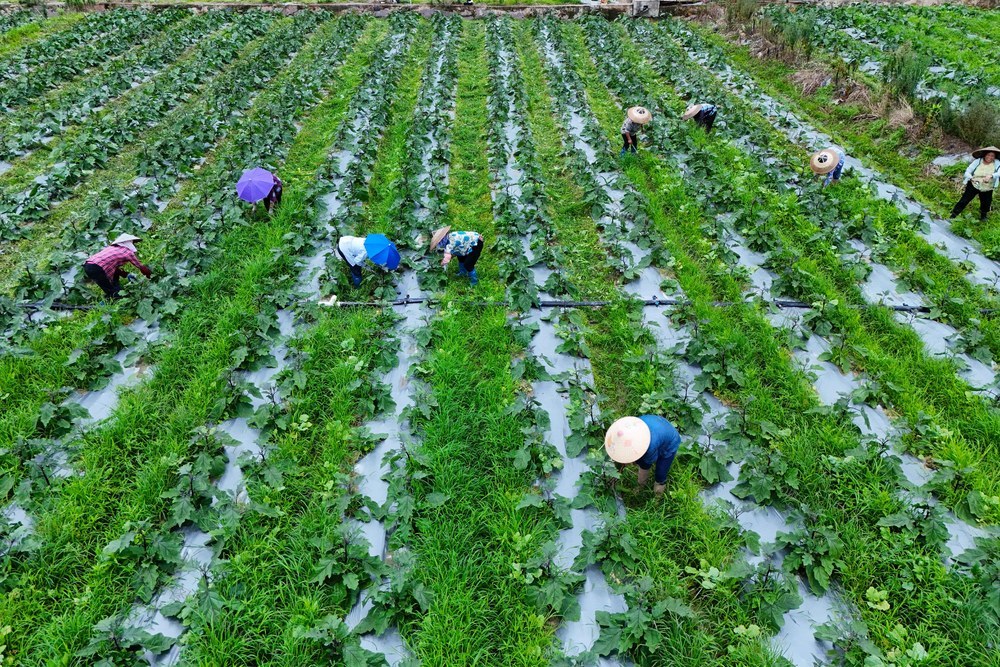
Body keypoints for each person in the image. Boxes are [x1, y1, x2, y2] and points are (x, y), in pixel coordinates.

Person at [604, 415, 681, 496]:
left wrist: (636, 463)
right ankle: (642, 487)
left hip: (670, 441)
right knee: (641, 461)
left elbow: (645, 467)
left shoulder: (649, 447)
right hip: (657, 424)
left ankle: (657, 495)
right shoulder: (629, 429)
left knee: (660, 472)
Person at [82, 233, 152, 299]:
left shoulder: (111, 248)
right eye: (133, 243)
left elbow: (114, 268)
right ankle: (115, 300)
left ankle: (115, 292)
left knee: (110, 283)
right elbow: (141, 266)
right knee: (112, 291)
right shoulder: (127, 251)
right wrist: (150, 277)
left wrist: (126, 274)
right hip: (96, 267)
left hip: (88, 265)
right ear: (128, 243)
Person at [950, 146, 999, 222]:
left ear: (995, 157)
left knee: (986, 203)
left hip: (987, 186)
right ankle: (954, 214)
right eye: (988, 155)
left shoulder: (997, 163)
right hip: (974, 184)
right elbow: (967, 171)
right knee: (965, 200)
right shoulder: (978, 161)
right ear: (985, 155)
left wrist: (991, 176)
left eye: (992, 156)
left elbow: (999, 173)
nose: (990, 157)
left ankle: (983, 217)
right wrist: (971, 178)